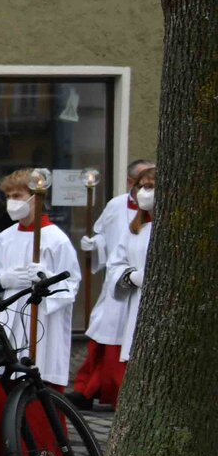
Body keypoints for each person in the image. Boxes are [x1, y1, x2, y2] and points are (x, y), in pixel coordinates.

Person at [0, 170, 81, 456]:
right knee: (5, 382)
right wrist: (4, 278)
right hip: (11, 323)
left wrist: (44, 284)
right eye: (8, 197)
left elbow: (70, 284)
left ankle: (42, 453)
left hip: (41, 327)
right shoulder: (5, 238)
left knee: (37, 387)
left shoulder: (55, 240)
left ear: (35, 200)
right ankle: (2, 454)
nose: (12, 203)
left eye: (18, 197)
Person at [72, 159, 153, 408]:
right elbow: (113, 247)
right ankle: (94, 389)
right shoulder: (123, 213)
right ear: (131, 184)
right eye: (142, 185)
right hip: (125, 291)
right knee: (108, 334)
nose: (144, 193)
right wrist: (96, 246)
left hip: (147, 301)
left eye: (151, 186)